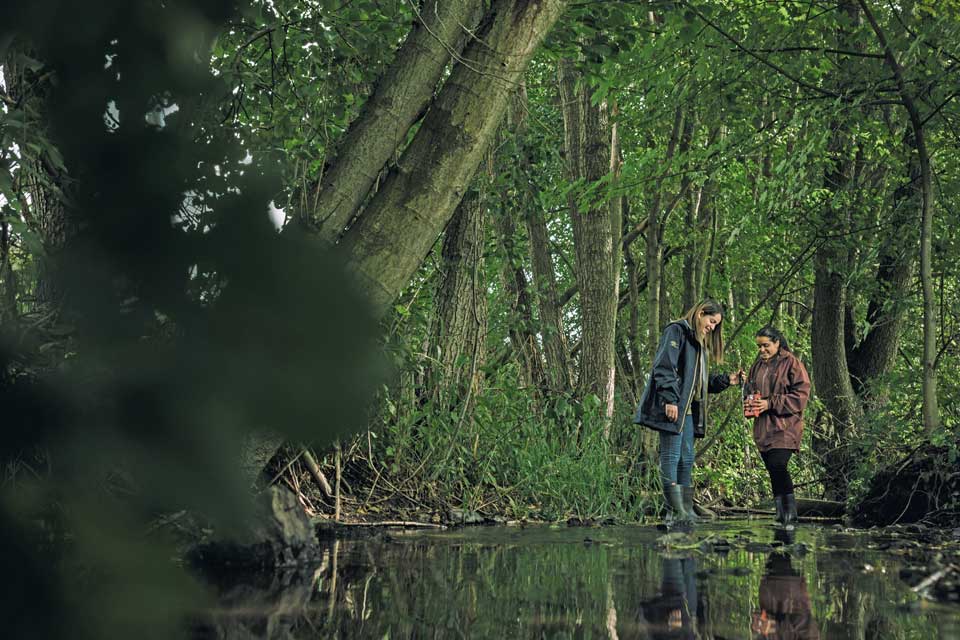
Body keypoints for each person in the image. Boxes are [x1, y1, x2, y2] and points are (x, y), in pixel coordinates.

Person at [633, 299, 742, 525]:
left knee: (687, 458)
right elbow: (664, 366)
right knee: (671, 456)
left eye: (715, 325)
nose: (712, 327)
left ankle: (686, 510)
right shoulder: (677, 331)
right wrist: (670, 400)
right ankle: (674, 511)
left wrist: (727, 380)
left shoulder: (698, 344)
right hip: (672, 406)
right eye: (711, 321)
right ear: (701, 313)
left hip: (689, 411)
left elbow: (697, 383)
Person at [743, 326, 811, 529]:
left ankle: (790, 516)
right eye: (759, 346)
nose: (762, 350)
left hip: (786, 426)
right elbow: (749, 391)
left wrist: (770, 403)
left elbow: (801, 396)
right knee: (773, 469)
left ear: (777, 343)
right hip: (763, 427)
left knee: (779, 465)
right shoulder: (757, 366)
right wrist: (749, 404)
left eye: (766, 345)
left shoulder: (791, 363)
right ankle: (781, 516)